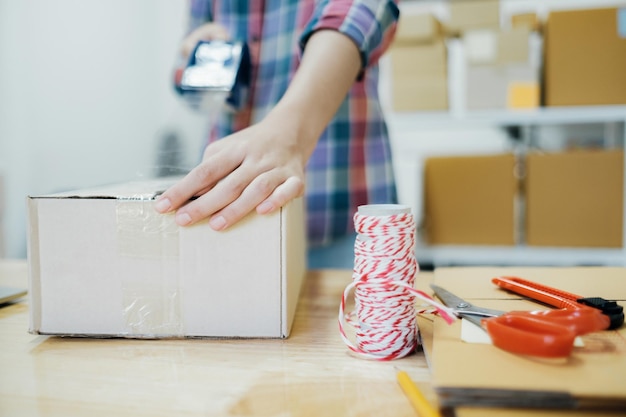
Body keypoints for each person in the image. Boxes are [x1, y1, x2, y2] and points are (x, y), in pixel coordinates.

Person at [155, 0, 399, 268]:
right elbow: (184, 71)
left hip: (343, 212)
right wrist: (196, 58)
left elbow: (359, 13)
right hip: (234, 215)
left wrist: (289, 133)